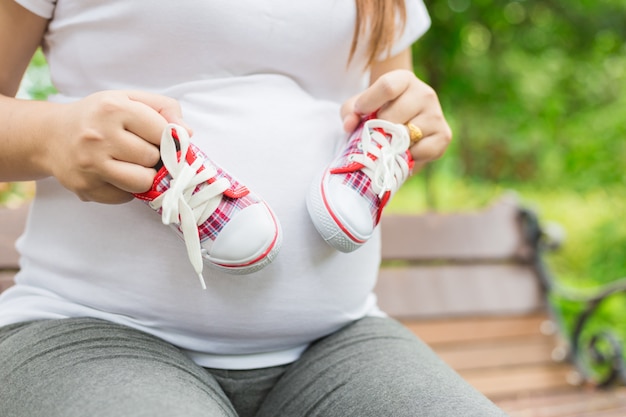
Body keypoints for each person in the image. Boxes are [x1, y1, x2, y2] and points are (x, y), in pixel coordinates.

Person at [0, 0, 508, 416]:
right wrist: (51, 135)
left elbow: (392, 104)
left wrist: (412, 120)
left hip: (339, 339)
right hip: (90, 332)